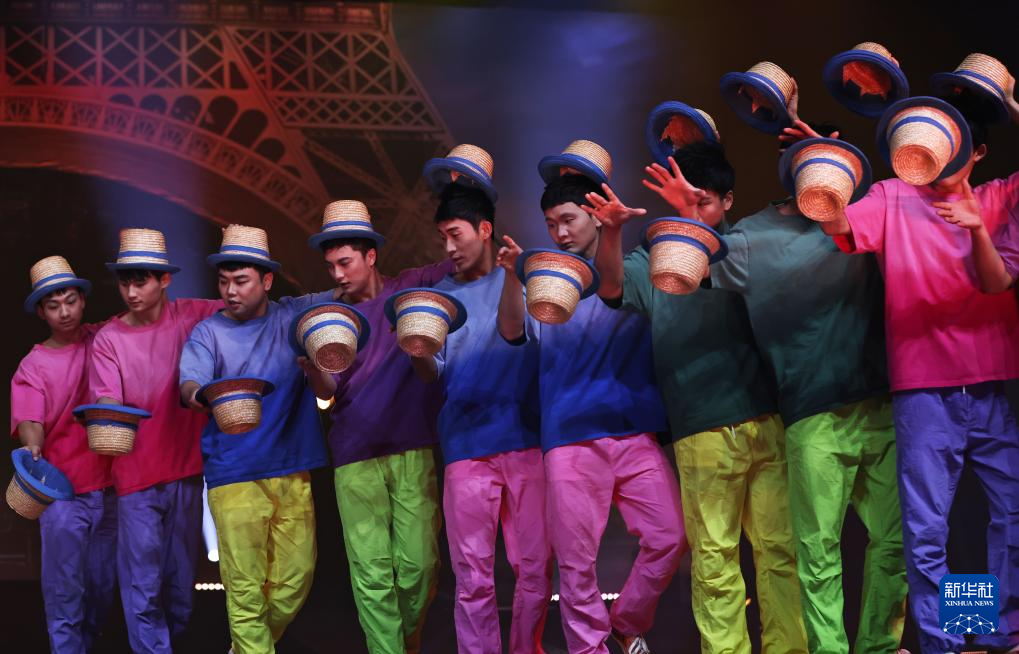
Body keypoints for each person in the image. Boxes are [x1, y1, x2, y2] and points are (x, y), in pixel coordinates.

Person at [588, 139, 807, 654]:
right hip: (700, 424)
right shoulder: (653, 256)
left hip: (766, 417)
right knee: (714, 557)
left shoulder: (746, 246)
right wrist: (612, 230)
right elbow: (611, 287)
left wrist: (693, 219)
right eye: (683, 201)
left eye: (703, 201)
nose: (692, 209)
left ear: (727, 201)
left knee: (780, 551)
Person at [498, 141, 686, 654]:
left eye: (568, 220)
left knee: (670, 538)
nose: (559, 232)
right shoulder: (545, 279)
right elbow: (512, 333)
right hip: (569, 437)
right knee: (577, 565)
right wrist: (514, 278)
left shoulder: (636, 267)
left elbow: (611, 284)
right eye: (551, 223)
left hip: (634, 430)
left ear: (597, 213)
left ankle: (626, 623)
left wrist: (616, 231)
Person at [303, 200, 452, 654]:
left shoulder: (409, 288)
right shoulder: (329, 315)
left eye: (345, 262)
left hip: (413, 446)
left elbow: (461, 261)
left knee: (420, 567)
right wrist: (313, 371)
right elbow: (327, 391)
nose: (337, 274)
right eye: (330, 266)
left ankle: (403, 643)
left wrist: (461, 198)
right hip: (354, 453)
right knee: (371, 574)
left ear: (371, 256)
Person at [178, 225, 331, 654]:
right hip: (233, 474)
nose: (230, 291)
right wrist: (204, 396)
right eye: (223, 281)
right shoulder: (208, 333)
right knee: (244, 590)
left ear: (266, 280)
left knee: (295, 580)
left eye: (241, 281)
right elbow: (190, 384)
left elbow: (351, 293)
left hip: (292, 467)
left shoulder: (294, 317)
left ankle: (243, 648)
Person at [89, 228, 221, 653]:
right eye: (124, 282)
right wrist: (108, 409)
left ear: (164, 279)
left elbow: (251, 307)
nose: (130, 291)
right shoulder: (109, 339)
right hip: (135, 479)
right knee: (142, 588)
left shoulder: (194, 315)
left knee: (181, 591)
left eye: (140, 281)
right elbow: (107, 396)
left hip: (187, 473)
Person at [12, 256, 118, 653]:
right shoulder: (33, 365)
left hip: (112, 490)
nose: (65, 312)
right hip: (63, 496)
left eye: (71, 301)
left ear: (83, 301)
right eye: (54, 305)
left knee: (103, 588)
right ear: (42, 312)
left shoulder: (104, 338)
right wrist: (31, 444)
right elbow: (30, 419)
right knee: (65, 591)